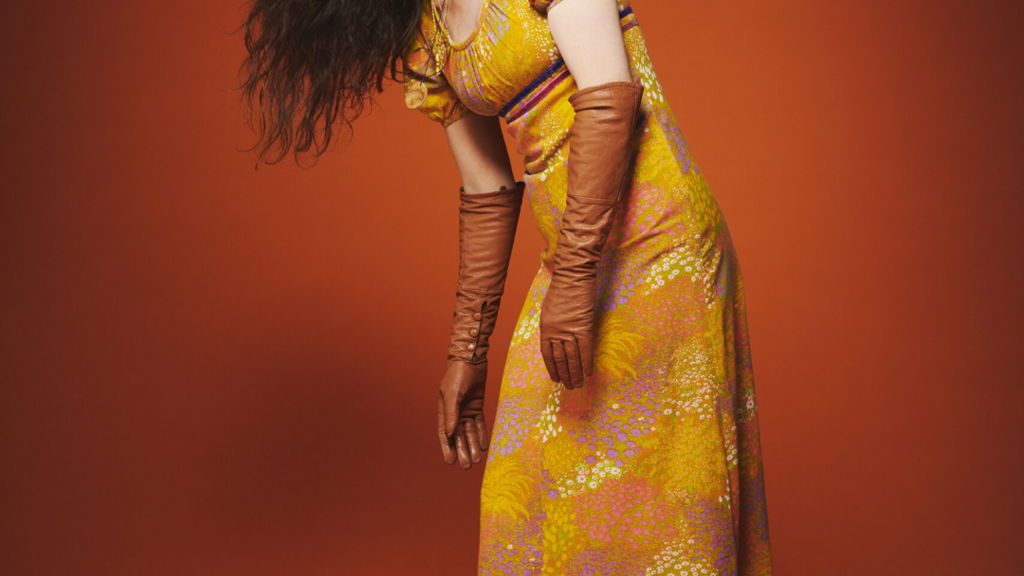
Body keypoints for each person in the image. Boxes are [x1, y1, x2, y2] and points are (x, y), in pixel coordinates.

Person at [240, 0, 773, 573]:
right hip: (572, 262)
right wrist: (467, 352)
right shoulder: (429, 33)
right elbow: (486, 188)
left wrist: (575, 275)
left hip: (662, 249)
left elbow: (610, 97)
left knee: (665, 502)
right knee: (522, 500)